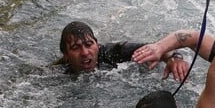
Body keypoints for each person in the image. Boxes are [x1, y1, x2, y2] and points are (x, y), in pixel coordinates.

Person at [55, 21, 187, 79]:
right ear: (66, 55)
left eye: (89, 44)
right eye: (75, 48)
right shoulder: (57, 72)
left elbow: (156, 48)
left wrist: (173, 58)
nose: (84, 52)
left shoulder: (112, 52)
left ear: (97, 44)